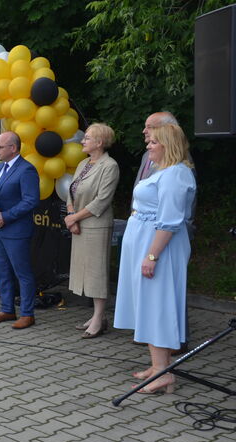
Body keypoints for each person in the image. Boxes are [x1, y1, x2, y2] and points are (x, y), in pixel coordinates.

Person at [114, 124, 196, 394]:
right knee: (147, 305)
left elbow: (170, 221)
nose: (148, 145)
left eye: (154, 142)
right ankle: (159, 365)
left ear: (168, 145)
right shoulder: (163, 172)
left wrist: (152, 255)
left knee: (157, 304)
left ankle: (163, 373)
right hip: (145, 242)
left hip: (159, 248)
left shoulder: (176, 174)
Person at [63, 123, 120, 339]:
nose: (82, 141)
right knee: (84, 270)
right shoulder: (83, 164)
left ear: (100, 142)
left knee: (96, 272)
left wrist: (74, 218)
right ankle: (95, 316)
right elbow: (71, 191)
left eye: (87, 138)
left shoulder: (110, 166)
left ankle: (99, 317)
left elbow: (102, 201)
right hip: (78, 224)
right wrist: (71, 217)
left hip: (96, 225)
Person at [0, 131, 40, 329]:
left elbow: (31, 200)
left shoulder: (26, 170)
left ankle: (27, 313)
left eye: (0, 147)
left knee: (21, 272)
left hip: (16, 230)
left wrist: (6, 216)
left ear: (13, 148)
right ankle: (7, 309)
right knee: (3, 271)